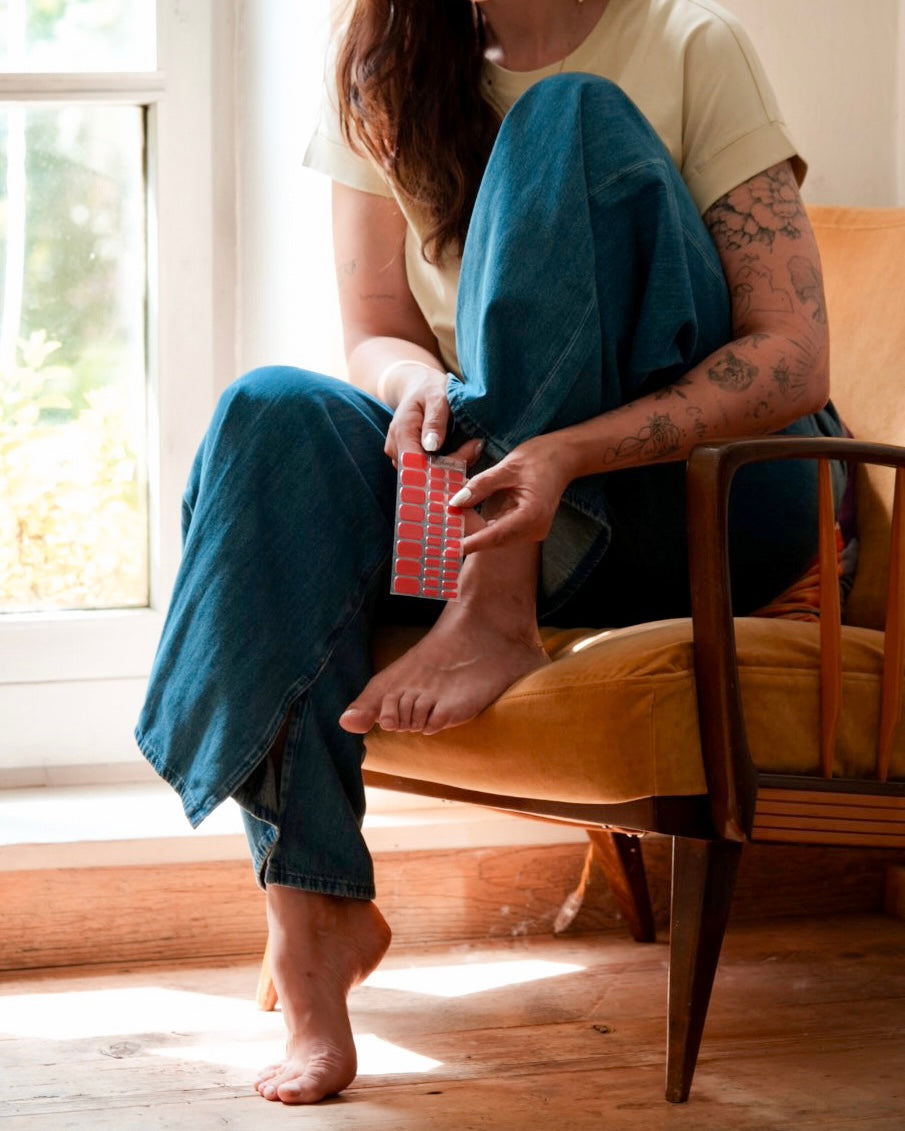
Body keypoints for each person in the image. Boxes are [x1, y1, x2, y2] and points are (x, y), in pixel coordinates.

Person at [136, 0, 846, 1106]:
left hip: (699, 500)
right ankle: (313, 921)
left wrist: (561, 451)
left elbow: (792, 358)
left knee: (567, 120)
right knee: (267, 414)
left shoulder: (685, 43)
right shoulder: (383, 61)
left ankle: (496, 606)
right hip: (491, 488)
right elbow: (375, 322)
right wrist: (412, 385)